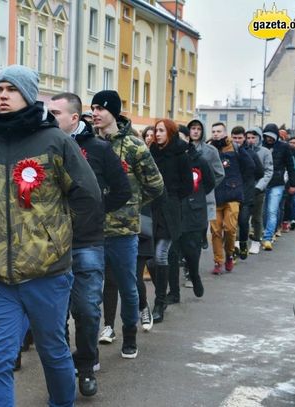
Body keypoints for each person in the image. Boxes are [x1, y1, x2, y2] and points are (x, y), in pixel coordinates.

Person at [0, 65, 102, 407]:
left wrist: (55, 238)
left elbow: (88, 196)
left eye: (10, 89)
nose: (2, 95)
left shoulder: (55, 141)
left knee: (53, 352)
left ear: (28, 95)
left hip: (47, 275)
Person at [48, 92, 131, 396]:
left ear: (74, 118)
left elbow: (122, 190)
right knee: (55, 315)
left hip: (87, 243)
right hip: (50, 244)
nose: (49, 118)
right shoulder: (43, 147)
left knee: (86, 309)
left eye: (55, 113)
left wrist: (95, 210)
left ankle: (86, 366)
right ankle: (61, 373)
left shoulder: (99, 149)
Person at [91, 90, 164, 355]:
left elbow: (155, 185)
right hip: (92, 230)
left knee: (128, 286)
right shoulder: (87, 144)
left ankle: (130, 336)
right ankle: (101, 333)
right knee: (93, 289)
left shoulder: (134, 146)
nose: (95, 113)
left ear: (114, 111)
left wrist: (132, 203)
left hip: (123, 231)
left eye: (101, 108)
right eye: (93, 108)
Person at [148, 118, 193, 321]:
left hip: (170, 210)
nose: (157, 134)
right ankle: (164, 292)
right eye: (156, 130)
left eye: (161, 130)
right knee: (149, 259)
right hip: (151, 209)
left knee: (161, 254)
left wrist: (172, 198)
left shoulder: (181, 155)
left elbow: (188, 186)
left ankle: (159, 304)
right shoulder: (152, 153)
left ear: (171, 133)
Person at [167, 126, 215, 303]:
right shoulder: (168, 159)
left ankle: (194, 275)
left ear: (188, 139)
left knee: (191, 252)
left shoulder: (199, 161)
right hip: (173, 212)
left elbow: (209, 183)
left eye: (179, 138)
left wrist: (197, 198)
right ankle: (173, 292)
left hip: (193, 214)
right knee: (171, 253)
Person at [208, 122, 254, 274]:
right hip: (214, 195)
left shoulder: (235, 147)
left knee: (230, 228)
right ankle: (218, 262)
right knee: (215, 231)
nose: (216, 134)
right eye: (213, 131)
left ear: (225, 132)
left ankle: (229, 254)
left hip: (233, 195)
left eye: (219, 131)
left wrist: (240, 184)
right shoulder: (209, 147)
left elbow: (250, 167)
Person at [187, 119, 225, 250]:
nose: (196, 131)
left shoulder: (211, 150)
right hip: (186, 193)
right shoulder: (183, 148)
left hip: (204, 194)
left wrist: (207, 187)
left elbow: (220, 173)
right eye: (193, 128)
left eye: (198, 129)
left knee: (202, 223)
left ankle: (202, 236)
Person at [261, 123, 295, 250]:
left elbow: (291, 167)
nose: (269, 139)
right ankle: (266, 231)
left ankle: (268, 237)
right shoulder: (261, 146)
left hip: (278, 183)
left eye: (272, 136)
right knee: (264, 211)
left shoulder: (284, 147)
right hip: (263, 183)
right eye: (267, 136)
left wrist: (293, 184)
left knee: (272, 210)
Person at [230, 126, 264, 260]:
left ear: (244, 138)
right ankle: (233, 247)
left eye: (239, 138)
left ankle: (243, 243)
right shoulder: (228, 152)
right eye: (234, 138)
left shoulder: (250, 153)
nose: (237, 140)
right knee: (231, 222)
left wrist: (249, 179)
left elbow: (260, 172)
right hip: (231, 192)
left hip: (246, 192)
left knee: (243, 221)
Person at [244, 127, 273, 254]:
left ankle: (256, 241)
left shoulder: (265, 152)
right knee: (243, 217)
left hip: (258, 189)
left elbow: (268, 171)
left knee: (257, 216)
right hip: (245, 188)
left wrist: (259, 187)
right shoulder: (243, 150)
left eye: (253, 138)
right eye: (248, 138)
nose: (251, 140)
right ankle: (241, 241)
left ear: (259, 138)